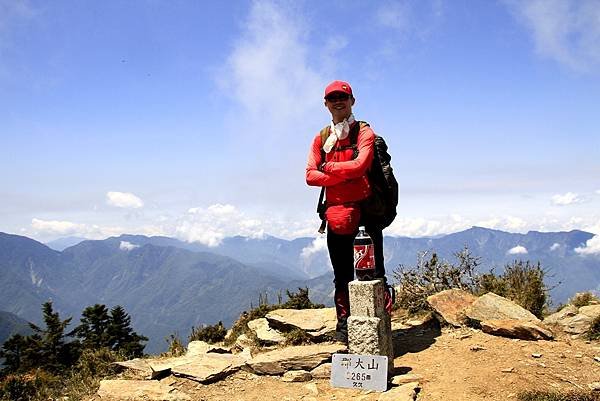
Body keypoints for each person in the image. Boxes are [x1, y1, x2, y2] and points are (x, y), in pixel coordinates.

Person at [305, 80, 388, 343]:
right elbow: (309, 175)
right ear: (325, 104)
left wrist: (328, 170)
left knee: (373, 272)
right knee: (341, 275)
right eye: (332, 98)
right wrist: (344, 174)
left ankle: (380, 323)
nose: (338, 101)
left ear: (352, 101)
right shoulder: (321, 138)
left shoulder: (364, 132)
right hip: (336, 215)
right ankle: (345, 326)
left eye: (343, 97)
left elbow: (361, 165)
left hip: (366, 214)